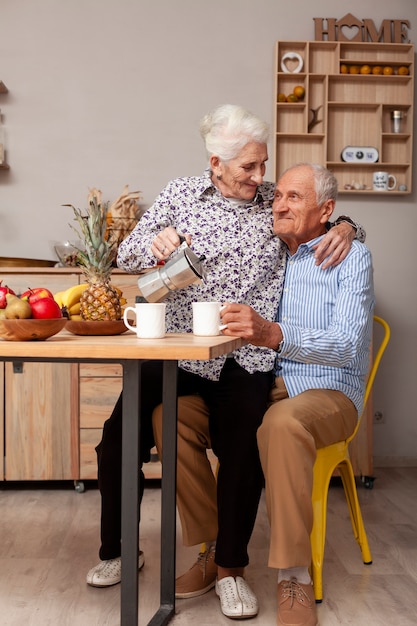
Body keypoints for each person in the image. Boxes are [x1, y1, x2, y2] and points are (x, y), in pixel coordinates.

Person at [86, 104, 360, 617]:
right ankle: (119, 552)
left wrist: (348, 224)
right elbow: (126, 254)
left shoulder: (273, 202)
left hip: (245, 356)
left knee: (242, 453)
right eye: (248, 168)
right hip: (176, 352)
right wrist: (154, 240)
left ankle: (230, 568)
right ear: (216, 163)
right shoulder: (181, 194)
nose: (261, 178)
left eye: (263, 165)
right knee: (116, 443)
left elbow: (321, 217)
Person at [216, 163, 374, 625]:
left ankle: (293, 575)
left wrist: (275, 334)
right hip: (261, 384)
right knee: (177, 414)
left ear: (326, 210)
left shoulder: (350, 256)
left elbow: (347, 344)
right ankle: (220, 556)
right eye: (277, 195)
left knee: (281, 424)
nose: (279, 205)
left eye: (294, 198)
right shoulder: (269, 249)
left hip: (329, 390)